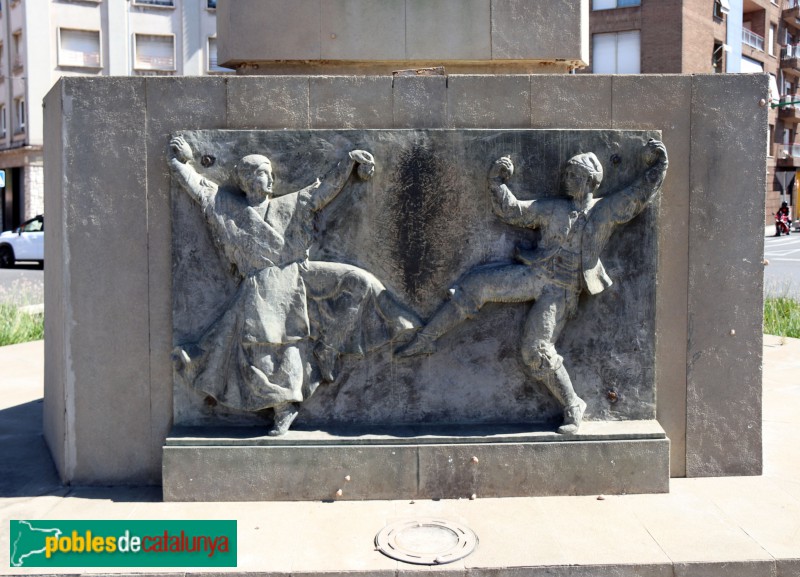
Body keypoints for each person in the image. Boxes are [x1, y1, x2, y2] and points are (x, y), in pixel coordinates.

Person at [399, 139, 669, 434]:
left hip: (560, 290)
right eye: (566, 173)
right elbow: (515, 212)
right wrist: (497, 182)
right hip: (534, 275)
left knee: (536, 350)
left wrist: (659, 164)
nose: (567, 179)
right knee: (477, 283)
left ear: (591, 180)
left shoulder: (605, 211)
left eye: (574, 175)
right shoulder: (553, 208)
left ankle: (573, 404)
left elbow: (637, 196)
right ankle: (426, 337)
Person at [169, 136, 420, 435]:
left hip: (298, 273)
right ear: (246, 181)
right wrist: (178, 161)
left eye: (268, 173)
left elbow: (321, 191)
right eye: (259, 173)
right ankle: (283, 405)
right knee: (271, 347)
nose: (266, 178)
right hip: (262, 284)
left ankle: (330, 348)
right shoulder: (228, 208)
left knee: (358, 281)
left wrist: (349, 161)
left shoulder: (289, 204)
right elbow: (199, 189)